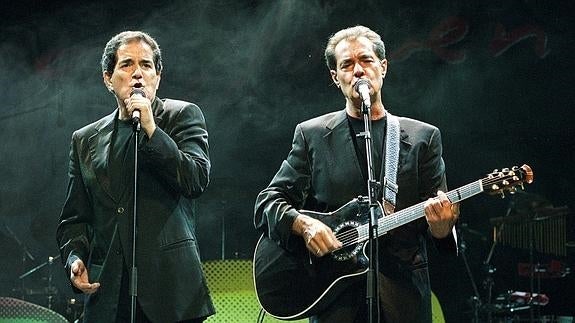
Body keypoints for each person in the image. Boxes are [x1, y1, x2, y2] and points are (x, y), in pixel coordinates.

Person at [254, 25, 459, 323]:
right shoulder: (312, 135)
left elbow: (438, 228)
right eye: (347, 65)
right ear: (336, 78)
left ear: (383, 67)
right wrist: (303, 225)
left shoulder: (422, 138)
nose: (358, 70)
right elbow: (268, 202)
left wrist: (442, 228)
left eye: (366, 60)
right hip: (334, 299)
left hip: (403, 299)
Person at [56, 31, 215, 323]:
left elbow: (195, 179)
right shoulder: (85, 139)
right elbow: (74, 219)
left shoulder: (181, 116)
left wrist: (152, 130)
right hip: (109, 295)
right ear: (108, 77)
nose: (138, 74)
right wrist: (75, 256)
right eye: (127, 64)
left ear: (158, 76)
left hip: (171, 295)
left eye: (146, 65)